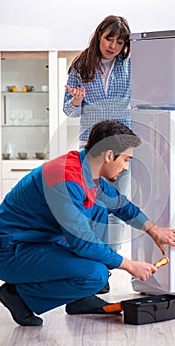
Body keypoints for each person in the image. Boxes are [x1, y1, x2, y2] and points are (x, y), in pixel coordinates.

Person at [0, 120, 175, 327]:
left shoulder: (87, 170)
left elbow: (120, 205)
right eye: (126, 160)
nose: (126, 167)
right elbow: (83, 242)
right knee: (95, 274)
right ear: (109, 155)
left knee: (99, 206)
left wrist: (154, 230)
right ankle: (17, 295)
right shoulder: (65, 179)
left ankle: (78, 299)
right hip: (10, 252)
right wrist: (130, 266)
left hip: (40, 241)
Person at [63, 15, 132, 291]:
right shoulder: (81, 65)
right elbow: (69, 111)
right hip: (90, 148)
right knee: (89, 209)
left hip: (121, 147)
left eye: (119, 41)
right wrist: (77, 101)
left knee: (114, 208)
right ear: (99, 36)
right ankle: (90, 267)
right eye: (109, 39)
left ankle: (105, 271)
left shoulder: (130, 66)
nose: (113, 45)